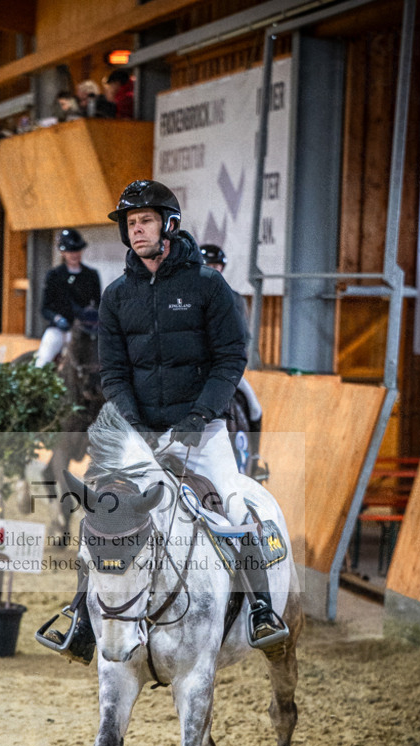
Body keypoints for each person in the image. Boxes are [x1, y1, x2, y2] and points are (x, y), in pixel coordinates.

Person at [38, 179, 288, 662]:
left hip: (202, 428)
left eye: (146, 221)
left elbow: (230, 357)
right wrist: (133, 422)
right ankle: (81, 618)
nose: (137, 231)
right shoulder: (116, 296)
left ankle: (260, 609)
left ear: (169, 225)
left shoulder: (208, 286)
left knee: (235, 508)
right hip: (140, 433)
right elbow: (113, 370)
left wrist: (198, 417)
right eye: (131, 224)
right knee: (104, 514)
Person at [199, 243, 265, 479]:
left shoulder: (235, 299)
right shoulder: (186, 298)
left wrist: (230, 364)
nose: (213, 270)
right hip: (195, 370)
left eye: (216, 265)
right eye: (208, 265)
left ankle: (256, 460)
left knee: (254, 405)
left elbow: (243, 337)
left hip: (224, 370)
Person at [34, 229, 102, 369]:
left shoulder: (91, 275)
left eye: (77, 250)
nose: (74, 255)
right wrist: (57, 319)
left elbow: (98, 304)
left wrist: (92, 314)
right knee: (42, 362)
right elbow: (44, 308)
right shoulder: (54, 275)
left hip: (85, 329)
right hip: (60, 330)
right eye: (70, 251)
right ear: (63, 252)